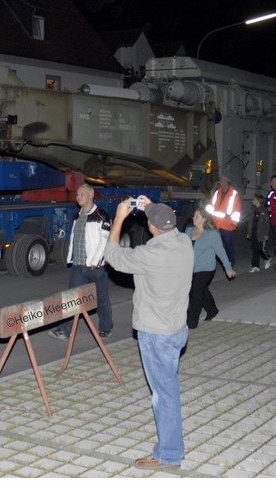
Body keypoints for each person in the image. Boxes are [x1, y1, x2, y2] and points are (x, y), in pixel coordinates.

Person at [103, 196, 192, 470]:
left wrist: (119, 218)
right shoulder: (184, 243)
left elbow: (113, 256)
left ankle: (169, 454)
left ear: (152, 228)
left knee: (163, 394)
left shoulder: (151, 254)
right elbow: (163, 223)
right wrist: (150, 208)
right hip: (176, 328)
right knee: (168, 388)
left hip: (156, 333)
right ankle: (171, 446)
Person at [49, 183, 113, 340]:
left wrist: (96, 261)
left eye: (82, 194)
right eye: (77, 195)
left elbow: (104, 241)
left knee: (101, 298)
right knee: (72, 299)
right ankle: (65, 330)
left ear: (91, 195)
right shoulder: (77, 216)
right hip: (78, 265)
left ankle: (106, 327)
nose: (78, 197)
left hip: (95, 266)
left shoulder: (101, 216)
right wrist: (70, 258)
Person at [184, 208, 235, 328]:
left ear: (204, 219)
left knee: (195, 292)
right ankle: (212, 310)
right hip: (191, 268)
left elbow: (221, 252)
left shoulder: (212, 234)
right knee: (202, 290)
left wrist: (228, 268)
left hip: (206, 269)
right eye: (194, 216)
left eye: (197, 216)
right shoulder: (189, 231)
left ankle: (190, 322)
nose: (193, 218)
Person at [208, 175, 242, 266]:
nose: (221, 184)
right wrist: (209, 216)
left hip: (227, 225)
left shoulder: (234, 194)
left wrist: (234, 223)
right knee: (215, 245)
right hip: (216, 224)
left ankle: (230, 262)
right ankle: (218, 261)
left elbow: (237, 209)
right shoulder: (217, 193)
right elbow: (211, 205)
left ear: (227, 183)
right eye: (220, 182)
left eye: (222, 182)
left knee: (228, 245)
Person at [246, 192, 272, 272]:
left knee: (260, 248)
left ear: (258, 201)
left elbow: (267, 224)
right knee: (254, 250)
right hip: (253, 233)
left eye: (254, 199)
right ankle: (255, 266)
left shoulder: (264, 211)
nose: (252, 201)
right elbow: (250, 223)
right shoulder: (253, 210)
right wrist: (248, 233)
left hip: (260, 234)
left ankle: (267, 258)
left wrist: (266, 234)